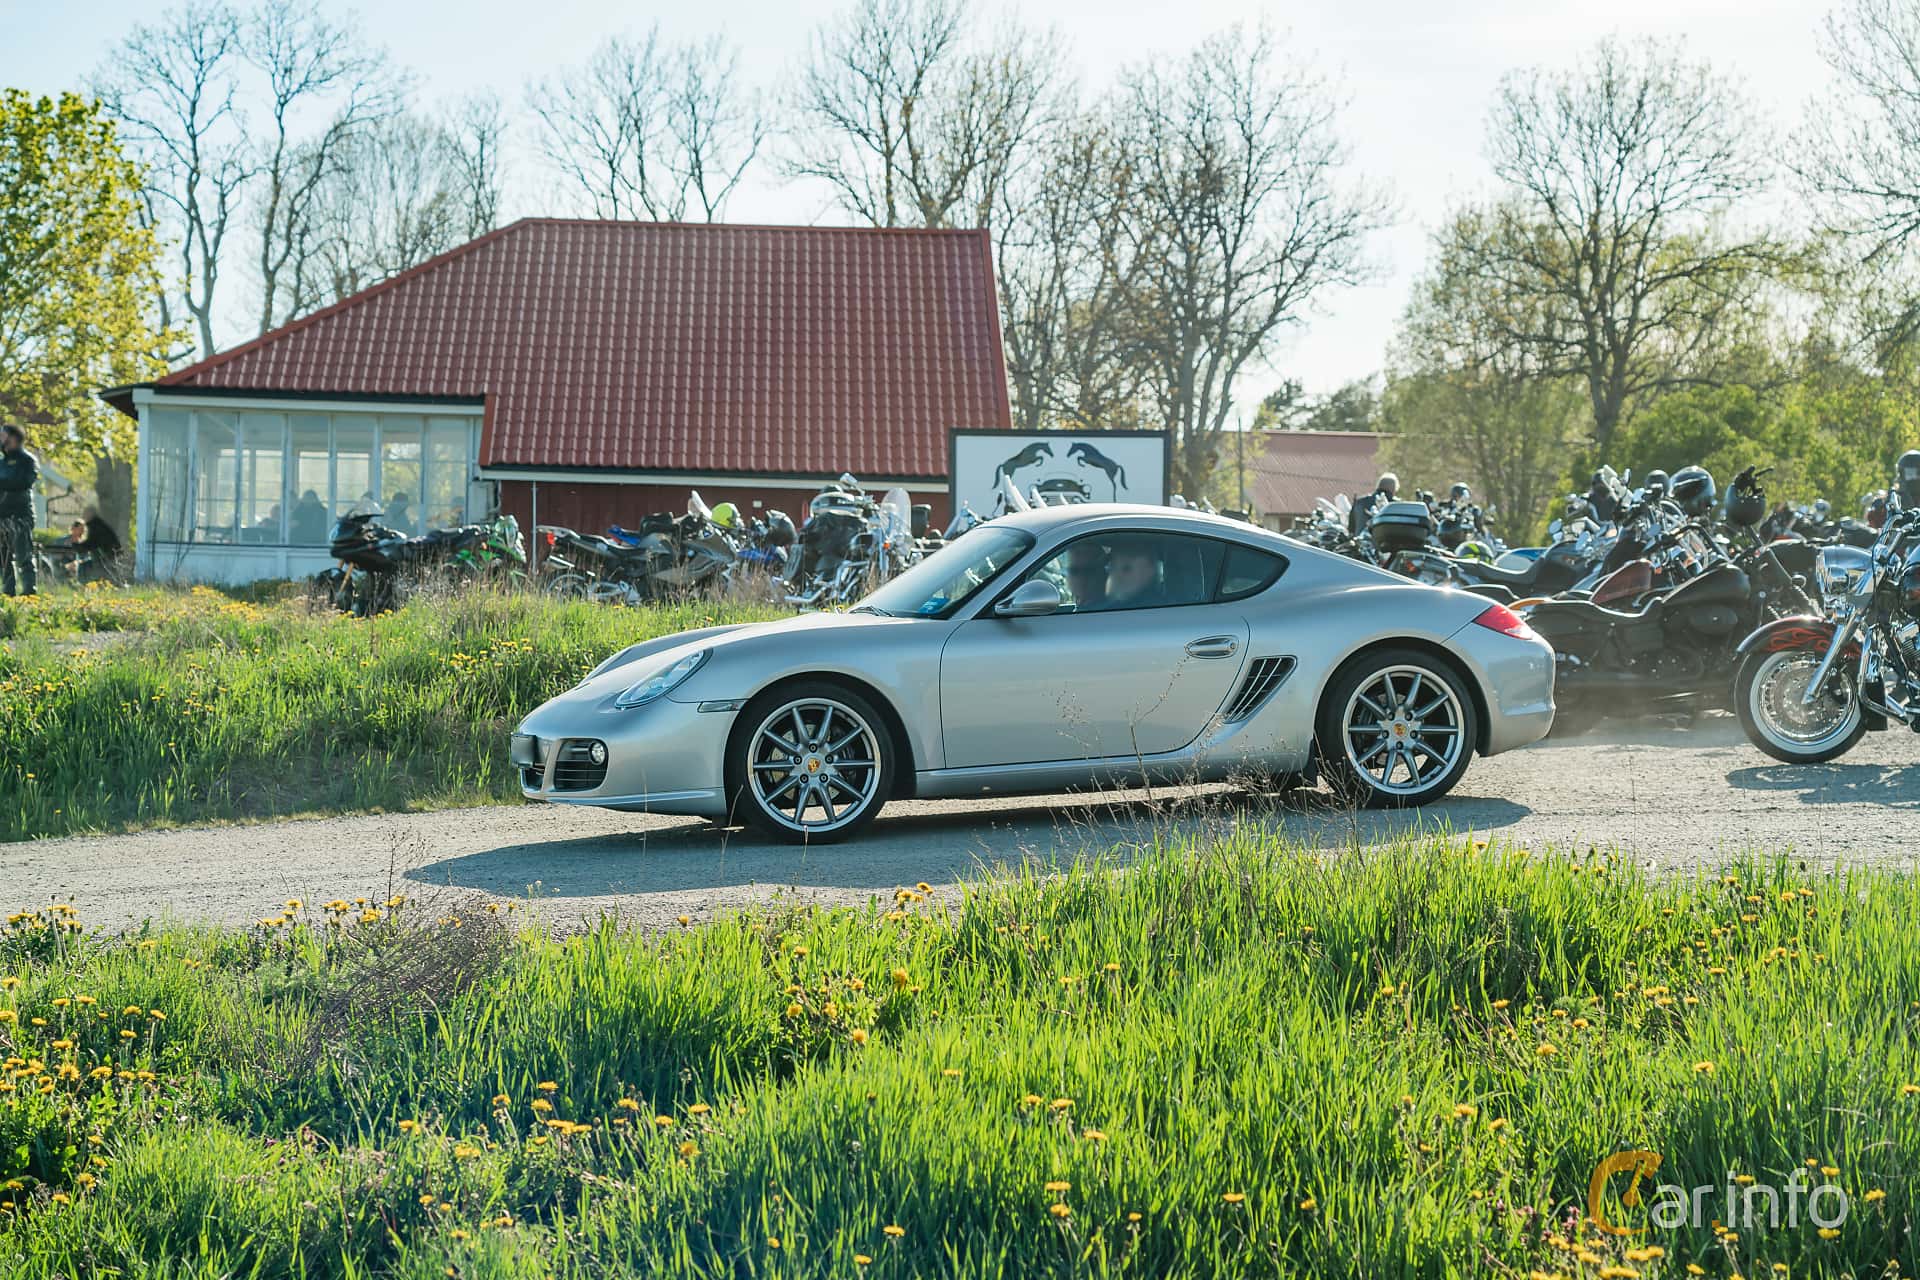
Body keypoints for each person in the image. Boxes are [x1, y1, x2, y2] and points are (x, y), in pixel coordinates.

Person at [0, 424, 39, 596]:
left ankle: (30, 593)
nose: (1, 438)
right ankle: (8, 593)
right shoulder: (1, 463)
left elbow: (24, 482)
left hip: (21, 516)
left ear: (14, 438)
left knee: (24, 556)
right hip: (2, 516)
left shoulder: (28, 461)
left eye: (3, 435)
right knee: (4, 559)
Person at [1104, 538, 1165, 609]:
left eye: (1126, 568)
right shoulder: (1106, 608)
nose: (1117, 576)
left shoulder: (1155, 608)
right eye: (1113, 567)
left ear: (1150, 568)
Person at [1063, 542, 1108, 609]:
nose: (1081, 578)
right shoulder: (1083, 607)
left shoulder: (1107, 611)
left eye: (1089, 571)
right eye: (1074, 571)